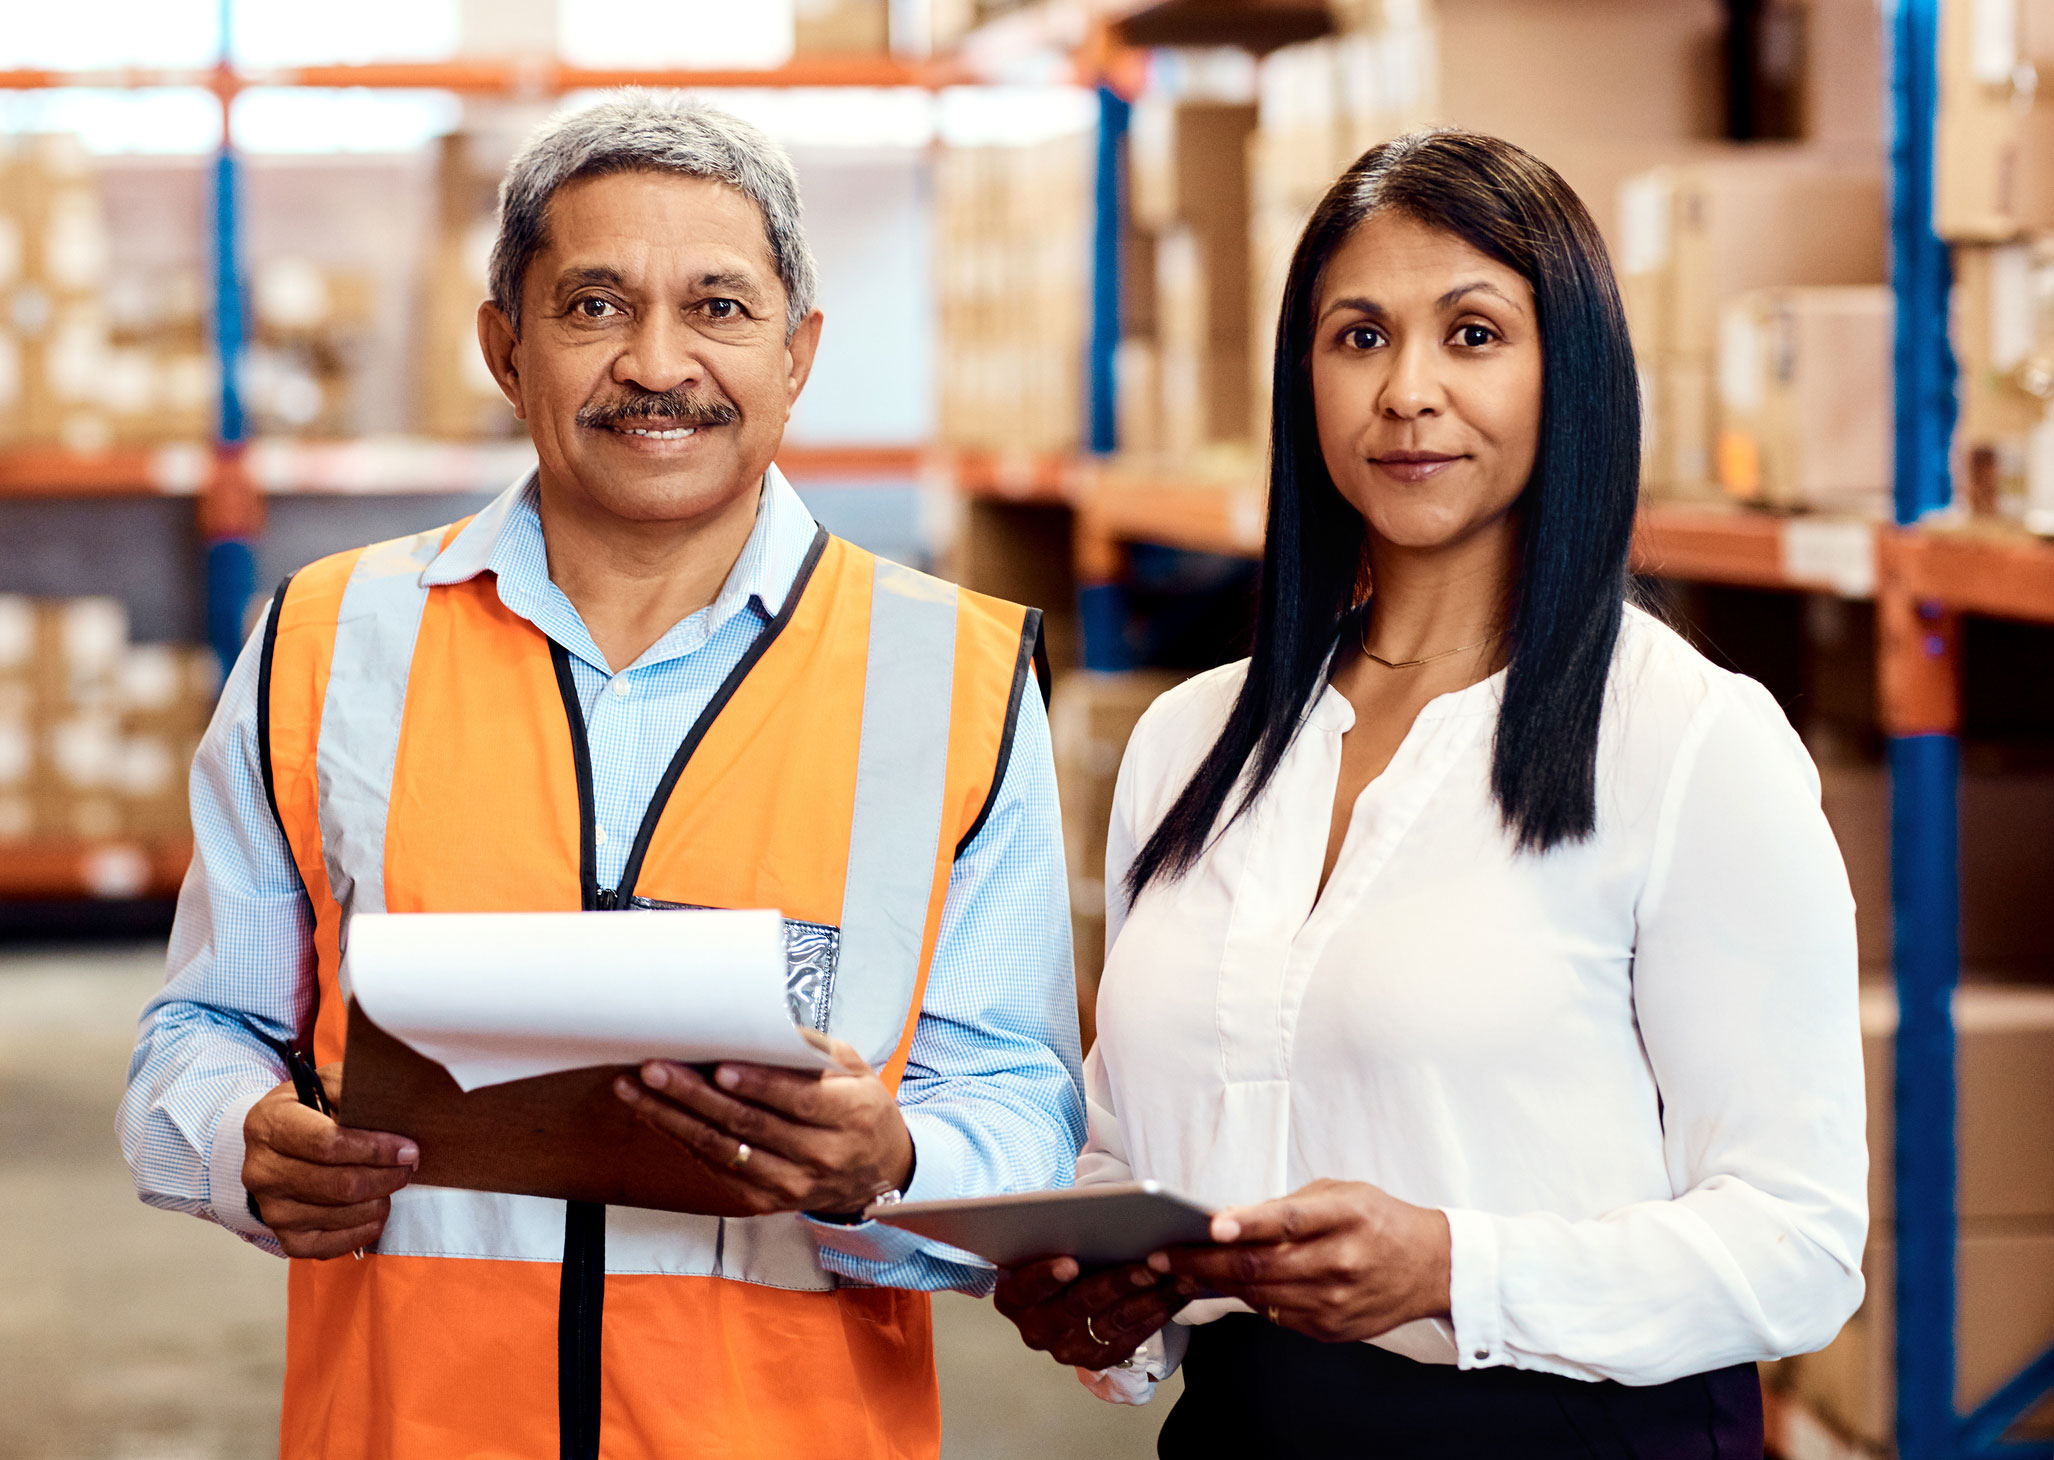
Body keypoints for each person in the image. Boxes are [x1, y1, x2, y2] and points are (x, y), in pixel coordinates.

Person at [119, 91, 1083, 1460]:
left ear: (798, 352)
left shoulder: (948, 675)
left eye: (719, 308)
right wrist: (240, 1143)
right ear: (503, 350)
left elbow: (1023, 1106)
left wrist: (895, 1166)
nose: (656, 361)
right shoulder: (329, 643)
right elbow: (197, 1031)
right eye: (591, 306)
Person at [995, 129, 1866, 1457]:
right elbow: (1132, 1146)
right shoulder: (1190, 745)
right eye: (1357, 337)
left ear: (1565, 369)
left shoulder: (1690, 743)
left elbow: (1795, 1245)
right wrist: (1102, 1288)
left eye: (1470, 335)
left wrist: (1457, 1270)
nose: (1405, 391)